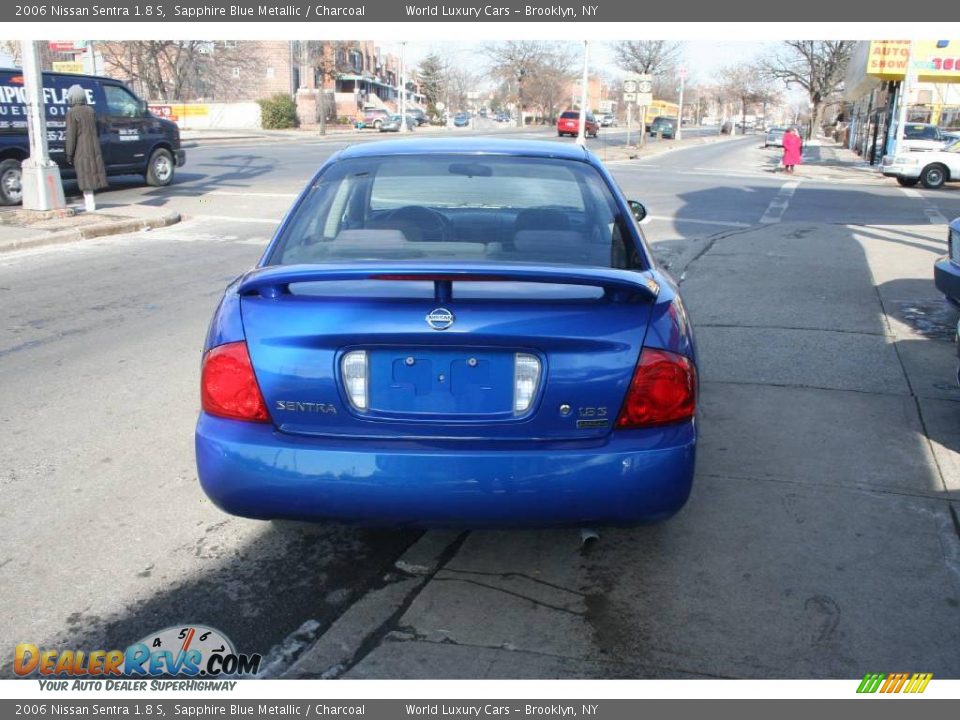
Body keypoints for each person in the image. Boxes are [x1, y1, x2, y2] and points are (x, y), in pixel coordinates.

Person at [65, 84, 108, 212]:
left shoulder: (71, 113)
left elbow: (71, 135)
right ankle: (90, 203)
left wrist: (69, 153)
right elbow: (97, 130)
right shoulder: (91, 111)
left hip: (81, 149)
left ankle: (89, 204)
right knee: (91, 174)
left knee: (85, 176)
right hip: (94, 147)